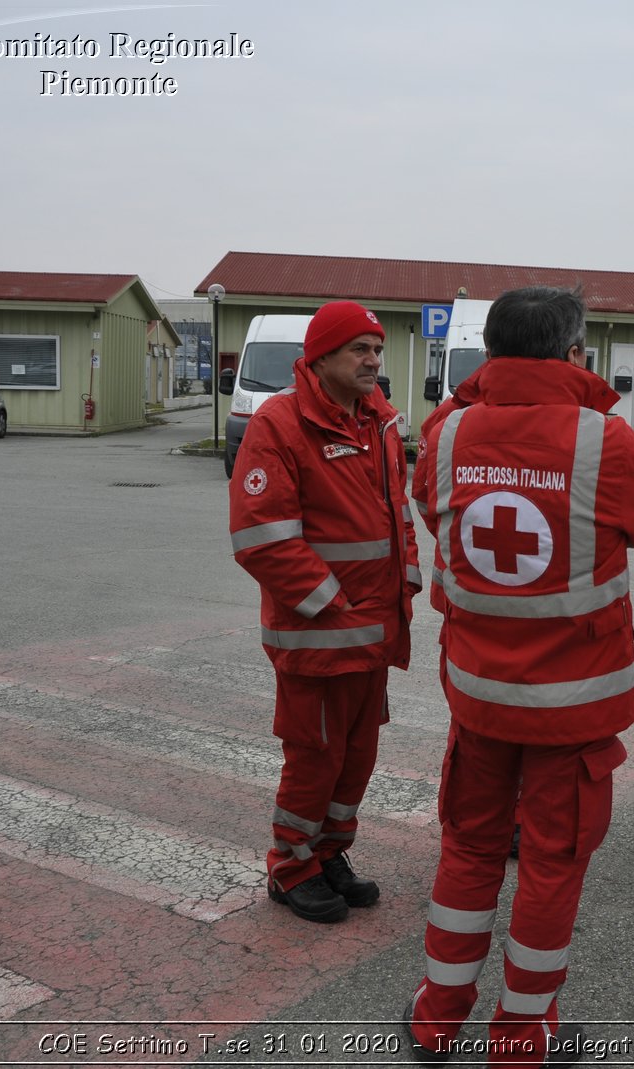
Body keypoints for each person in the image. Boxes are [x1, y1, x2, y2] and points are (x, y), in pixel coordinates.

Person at [404, 287, 634, 1066]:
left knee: (469, 848)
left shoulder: (447, 434)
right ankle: (522, 1039)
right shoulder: (604, 439)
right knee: (550, 864)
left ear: (490, 352)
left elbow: (433, 510)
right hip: (573, 707)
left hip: (480, 696)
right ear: (572, 351)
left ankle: (435, 1020)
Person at [228, 300, 421, 924]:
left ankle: (329, 854)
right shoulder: (280, 424)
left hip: (374, 631)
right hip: (318, 632)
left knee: (357, 754)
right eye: (359, 350)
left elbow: (399, 516)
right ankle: (290, 867)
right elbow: (262, 538)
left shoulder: (380, 423)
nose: (373, 361)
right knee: (315, 755)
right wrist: (332, 604)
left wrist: (406, 585)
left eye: (377, 350)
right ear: (321, 357)